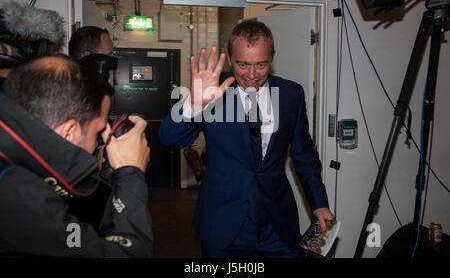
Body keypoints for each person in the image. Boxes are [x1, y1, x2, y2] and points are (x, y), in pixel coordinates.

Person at [159, 20, 334, 258]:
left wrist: (319, 203)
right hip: (223, 223)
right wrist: (193, 104)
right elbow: (170, 138)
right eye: (242, 64)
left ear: (272, 58)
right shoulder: (213, 91)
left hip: (277, 223)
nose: (251, 75)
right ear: (230, 60)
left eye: (260, 64)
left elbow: (304, 156)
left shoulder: (292, 94)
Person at [0, 54, 152, 257]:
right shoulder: (23, 203)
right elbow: (128, 254)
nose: (99, 143)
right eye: (98, 132)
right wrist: (129, 173)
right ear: (69, 131)